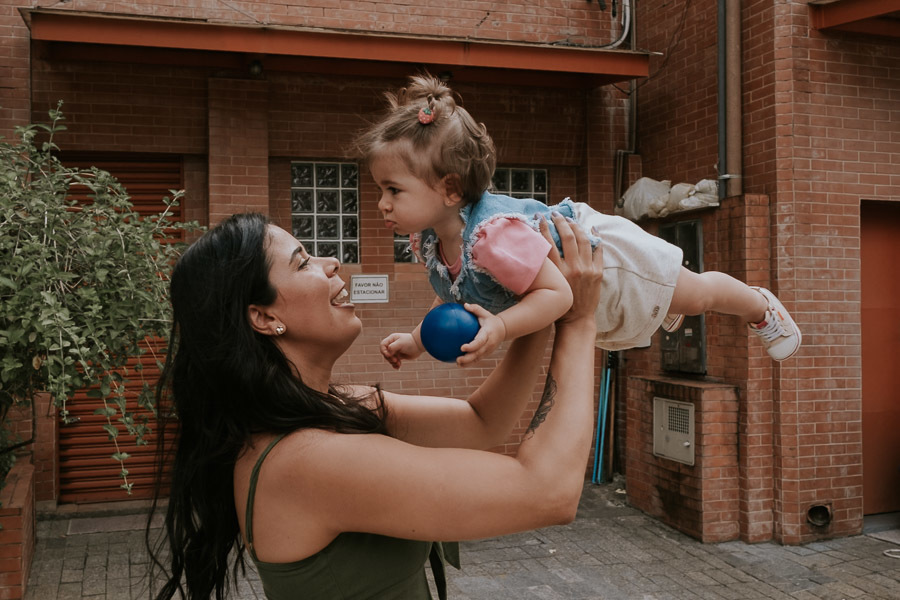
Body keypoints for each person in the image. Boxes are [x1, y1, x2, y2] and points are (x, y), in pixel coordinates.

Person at [146, 210, 604, 600]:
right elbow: (549, 493)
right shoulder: (306, 460)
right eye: (303, 261)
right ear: (265, 318)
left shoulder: (334, 406)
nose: (331, 262)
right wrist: (580, 321)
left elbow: (483, 423)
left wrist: (536, 299)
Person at [353, 74, 802, 368]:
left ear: (450, 190)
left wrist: (501, 327)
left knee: (699, 293)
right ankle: (667, 303)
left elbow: (558, 292)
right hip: (589, 292)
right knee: (661, 306)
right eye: (380, 190)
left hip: (604, 261)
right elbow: (454, 294)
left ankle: (758, 306)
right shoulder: (434, 242)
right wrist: (417, 340)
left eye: (394, 190)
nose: (382, 204)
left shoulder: (492, 237)